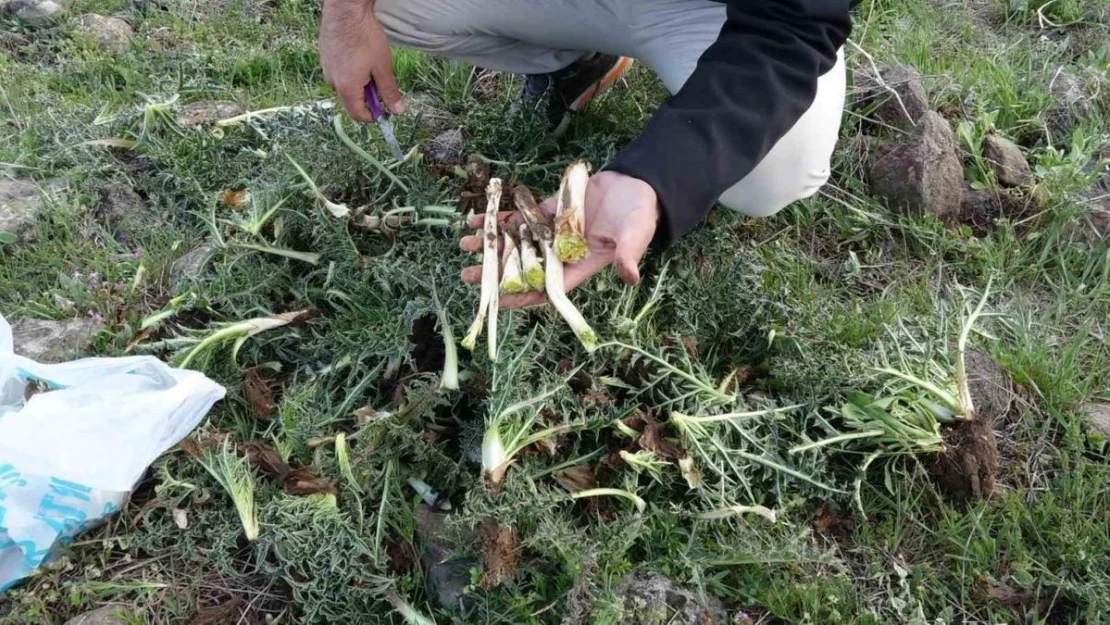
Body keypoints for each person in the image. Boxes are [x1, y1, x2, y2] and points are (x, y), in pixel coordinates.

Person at [319, 0, 852, 306]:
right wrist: (344, 12)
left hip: (716, 12)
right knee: (377, 8)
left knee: (771, 172)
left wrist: (655, 176)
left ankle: (684, 75)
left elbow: (791, 25)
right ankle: (573, 59)